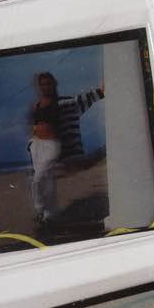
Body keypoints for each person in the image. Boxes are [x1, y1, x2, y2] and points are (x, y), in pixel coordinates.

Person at [28, 72, 104, 231]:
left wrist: (104, 87)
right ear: (39, 87)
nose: (45, 87)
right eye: (42, 84)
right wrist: (31, 143)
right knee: (47, 181)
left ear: (54, 84)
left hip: (52, 146)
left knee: (39, 178)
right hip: (36, 146)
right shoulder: (36, 106)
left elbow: (94, 95)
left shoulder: (66, 103)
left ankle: (42, 210)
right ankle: (48, 215)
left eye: (48, 83)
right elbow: (35, 126)